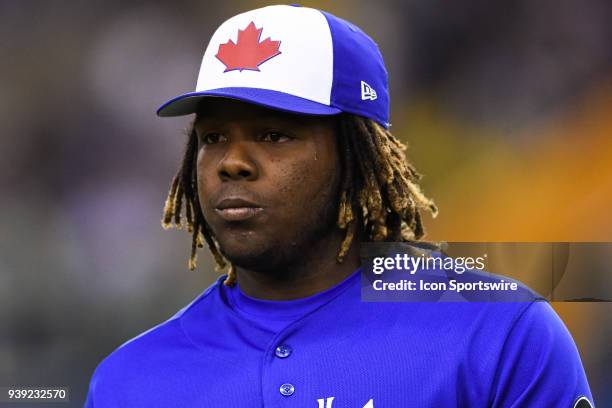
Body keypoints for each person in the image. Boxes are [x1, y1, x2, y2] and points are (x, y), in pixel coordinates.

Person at [84, 4, 594, 407]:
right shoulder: (128, 380)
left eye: (273, 134)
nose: (232, 162)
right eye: (213, 137)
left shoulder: (498, 332)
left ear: (356, 157)